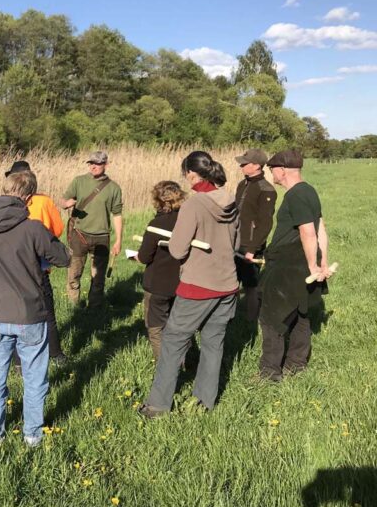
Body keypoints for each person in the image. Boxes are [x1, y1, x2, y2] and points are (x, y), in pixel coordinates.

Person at [0, 171, 70, 446]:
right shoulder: (34, 228)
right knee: (34, 377)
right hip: (29, 314)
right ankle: (32, 436)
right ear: (28, 197)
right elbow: (62, 258)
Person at [140, 151, 239, 417]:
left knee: (173, 342)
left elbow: (177, 250)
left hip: (199, 285)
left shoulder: (194, 205)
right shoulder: (231, 199)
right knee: (213, 343)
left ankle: (158, 406)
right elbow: (236, 243)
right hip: (228, 283)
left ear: (192, 174)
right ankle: (203, 403)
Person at [258, 150, 330, 381]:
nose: (271, 174)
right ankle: (296, 366)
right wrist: (322, 261)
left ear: (281, 170)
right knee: (302, 312)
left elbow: (308, 232)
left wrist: (312, 265)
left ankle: (270, 372)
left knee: (272, 316)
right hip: (304, 260)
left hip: (288, 263)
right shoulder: (309, 190)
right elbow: (321, 228)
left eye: (272, 170)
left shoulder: (295, 196)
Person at [5, 161, 68, 366]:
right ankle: (55, 353)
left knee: (13, 314)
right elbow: (57, 229)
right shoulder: (44, 202)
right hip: (39, 265)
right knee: (47, 312)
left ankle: (17, 360)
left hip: (10, 266)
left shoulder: (2, 204)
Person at [60, 150, 124, 310]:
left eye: (97, 163)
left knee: (98, 278)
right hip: (79, 235)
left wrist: (118, 240)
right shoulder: (79, 181)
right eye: (91, 163)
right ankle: (74, 308)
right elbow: (63, 200)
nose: (93, 166)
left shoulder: (114, 188)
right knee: (74, 274)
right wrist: (65, 204)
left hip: (101, 238)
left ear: (106, 165)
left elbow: (117, 215)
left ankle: (95, 309)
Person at [135, 181, 187, 360]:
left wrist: (136, 256)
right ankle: (185, 361)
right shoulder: (188, 222)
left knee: (156, 329)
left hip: (157, 285)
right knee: (177, 327)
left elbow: (144, 257)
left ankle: (166, 369)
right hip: (182, 283)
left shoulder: (156, 224)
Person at [234, 149, 277, 321]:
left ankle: (251, 320)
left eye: (245, 163)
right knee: (231, 281)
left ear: (257, 166)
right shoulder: (242, 184)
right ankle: (232, 316)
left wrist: (253, 249)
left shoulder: (266, 190)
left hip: (251, 245)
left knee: (251, 285)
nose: (241, 166)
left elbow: (265, 223)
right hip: (235, 240)